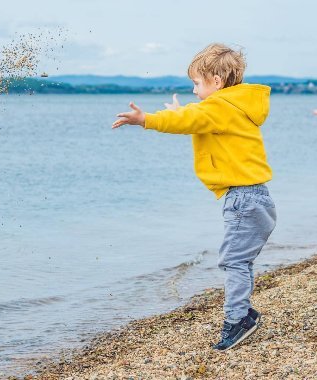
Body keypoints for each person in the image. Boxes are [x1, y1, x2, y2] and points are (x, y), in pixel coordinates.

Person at [111, 43, 277, 351]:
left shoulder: (219, 108)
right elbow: (195, 118)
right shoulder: (234, 106)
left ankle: (237, 320)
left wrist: (145, 119)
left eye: (197, 83)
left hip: (243, 198)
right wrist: (181, 113)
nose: (193, 89)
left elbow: (189, 120)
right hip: (255, 197)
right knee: (239, 261)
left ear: (216, 81)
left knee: (233, 261)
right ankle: (243, 312)